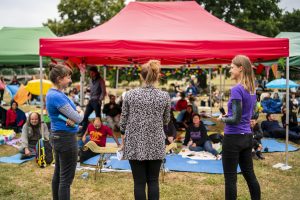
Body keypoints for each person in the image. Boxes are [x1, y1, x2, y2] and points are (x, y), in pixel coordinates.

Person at [120, 60, 170, 200]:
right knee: (153, 181)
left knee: (139, 182)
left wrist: (124, 133)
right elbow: (166, 120)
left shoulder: (130, 95)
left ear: (141, 76)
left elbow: (123, 121)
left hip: (135, 141)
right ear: (157, 76)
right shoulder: (164, 96)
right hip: (156, 141)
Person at [218, 55, 261, 200]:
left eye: (232, 67)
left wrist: (222, 119)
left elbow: (235, 118)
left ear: (240, 68)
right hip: (247, 137)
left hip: (233, 138)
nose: (230, 70)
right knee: (250, 175)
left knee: (230, 179)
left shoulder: (237, 89)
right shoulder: (252, 89)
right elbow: (252, 113)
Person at [46, 63, 84, 200]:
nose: (70, 80)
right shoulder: (57, 96)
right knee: (66, 179)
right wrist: (80, 111)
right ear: (59, 79)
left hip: (58, 136)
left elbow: (68, 115)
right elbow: (78, 118)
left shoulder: (54, 94)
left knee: (59, 174)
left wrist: (72, 116)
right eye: (68, 77)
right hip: (65, 138)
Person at [81, 67, 106, 135]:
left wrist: (100, 100)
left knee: (98, 118)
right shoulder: (90, 80)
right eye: (90, 73)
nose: (91, 74)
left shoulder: (101, 80)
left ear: (95, 73)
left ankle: (101, 132)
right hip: (91, 100)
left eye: (92, 73)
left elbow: (103, 92)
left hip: (97, 101)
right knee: (85, 116)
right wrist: (88, 90)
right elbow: (92, 90)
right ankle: (83, 131)